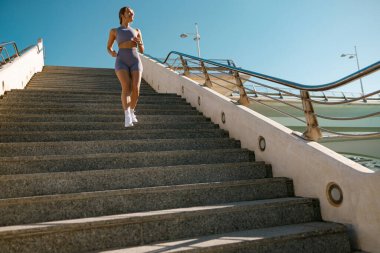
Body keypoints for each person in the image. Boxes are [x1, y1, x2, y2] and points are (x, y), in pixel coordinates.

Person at [107, 6, 144, 127]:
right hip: (121, 60)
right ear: (122, 15)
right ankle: (127, 114)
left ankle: (132, 111)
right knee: (126, 86)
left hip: (135, 60)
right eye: (129, 12)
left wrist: (140, 43)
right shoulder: (114, 31)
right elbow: (109, 47)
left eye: (133, 13)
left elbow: (142, 50)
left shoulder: (137, 30)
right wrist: (112, 52)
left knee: (136, 89)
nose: (132, 14)